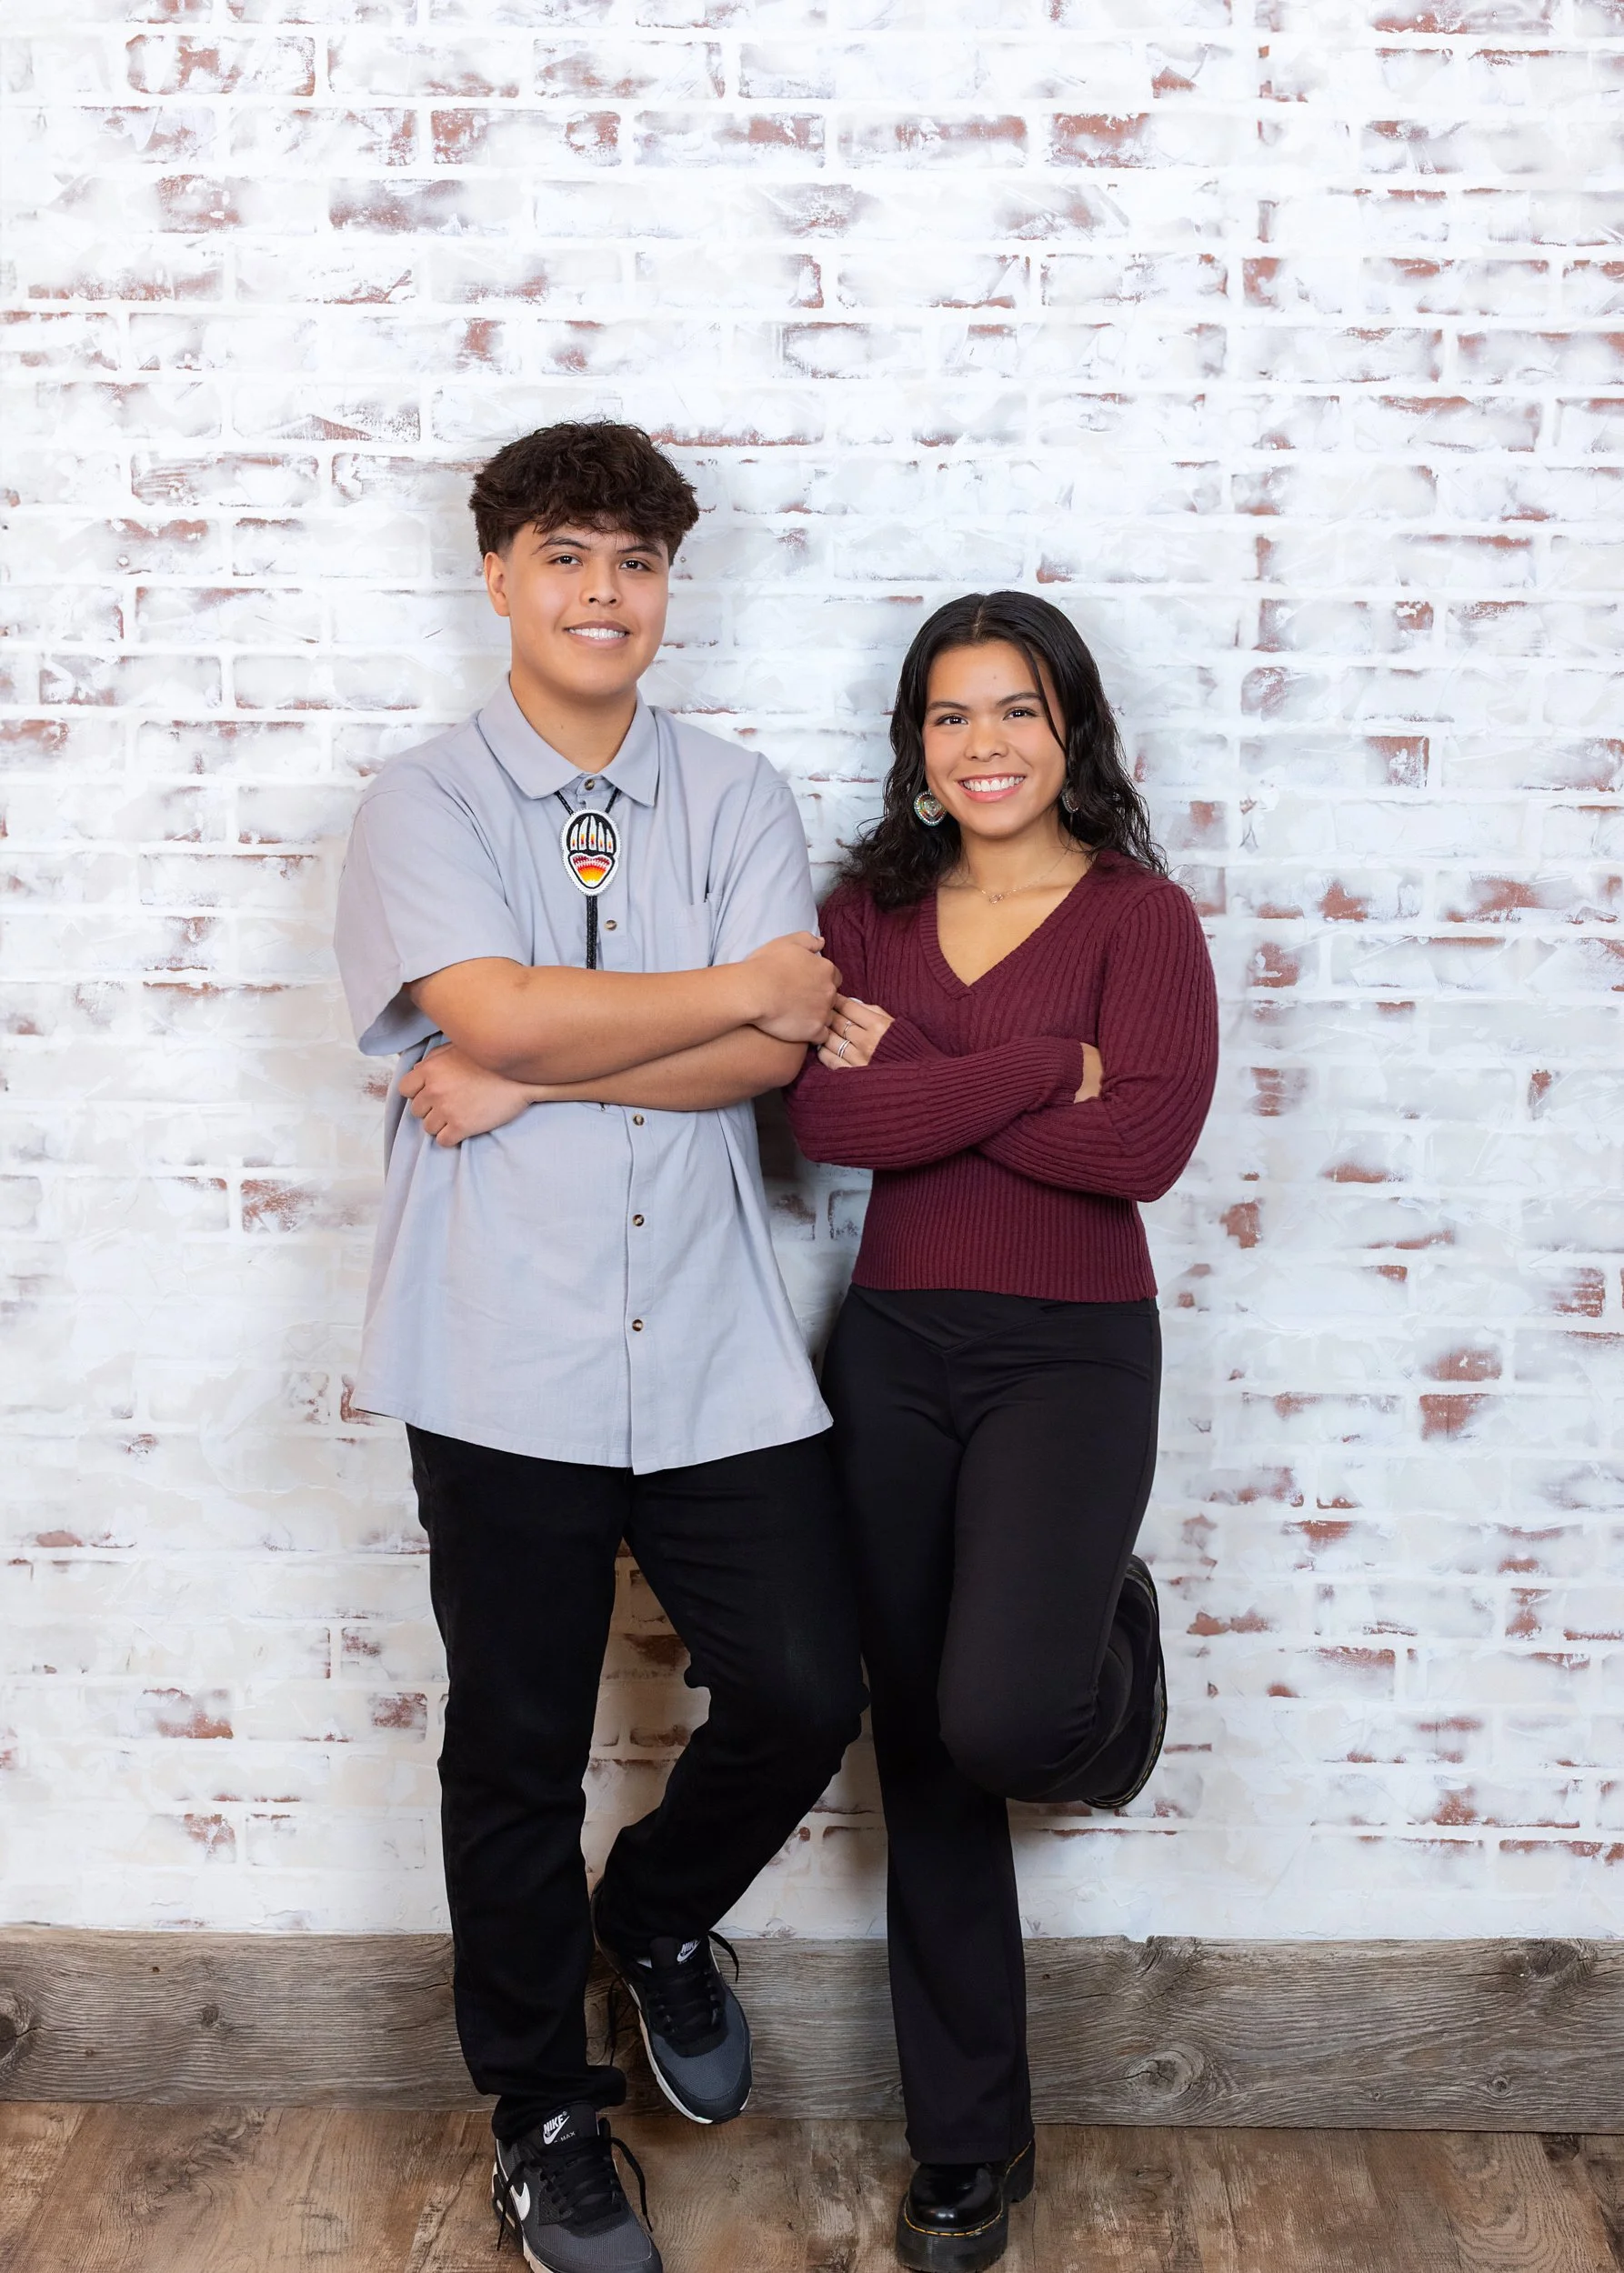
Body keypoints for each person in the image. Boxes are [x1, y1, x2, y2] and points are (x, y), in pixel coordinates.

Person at [333, 420, 866, 2273]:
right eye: (565, 555)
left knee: (805, 1681)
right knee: (512, 1744)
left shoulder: (732, 798)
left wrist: (543, 1049)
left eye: (634, 563)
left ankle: (650, 1915)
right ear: (497, 574)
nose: (601, 594)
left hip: (713, 1343)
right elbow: (485, 1006)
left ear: (666, 590)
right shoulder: (419, 802)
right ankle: (542, 2111)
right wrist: (712, 990)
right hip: (498, 1349)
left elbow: (770, 1058)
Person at [786, 591, 1218, 2273]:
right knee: (922, 1759)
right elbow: (828, 1115)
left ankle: (1107, 1638)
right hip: (890, 1350)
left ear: (1072, 732)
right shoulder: (859, 917)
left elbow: (1146, 1155)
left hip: (1073, 1353)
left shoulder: (1141, 916)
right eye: (951, 717)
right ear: (913, 750)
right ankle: (969, 2147)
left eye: (1017, 712)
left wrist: (939, 1078)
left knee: (1004, 1719)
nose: (984, 747)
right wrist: (1050, 1068)